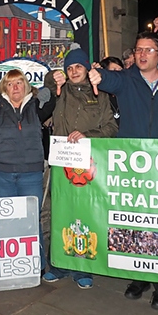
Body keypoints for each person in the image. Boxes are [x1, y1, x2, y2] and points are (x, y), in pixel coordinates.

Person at [88, 32, 158, 310]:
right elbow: (109, 79)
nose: (141, 55)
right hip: (133, 166)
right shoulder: (127, 80)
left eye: (148, 50)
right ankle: (138, 276)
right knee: (134, 221)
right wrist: (97, 76)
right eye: (138, 50)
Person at [42, 45, 118, 289]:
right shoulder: (60, 91)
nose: (74, 71)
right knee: (58, 213)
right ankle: (59, 264)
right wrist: (53, 78)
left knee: (83, 213)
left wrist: (88, 135)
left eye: (78, 67)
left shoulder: (101, 95)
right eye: (70, 67)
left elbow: (111, 128)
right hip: (60, 163)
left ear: (87, 68)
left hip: (87, 166)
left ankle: (83, 267)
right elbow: (44, 87)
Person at [0, 69, 54, 271]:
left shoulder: (36, 105)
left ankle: (36, 264)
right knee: (6, 221)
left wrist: (47, 96)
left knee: (31, 220)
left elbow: (52, 102)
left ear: (26, 85)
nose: (15, 87)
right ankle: (8, 264)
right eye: (10, 83)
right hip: (1, 174)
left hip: (30, 174)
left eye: (19, 83)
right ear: (4, 87)